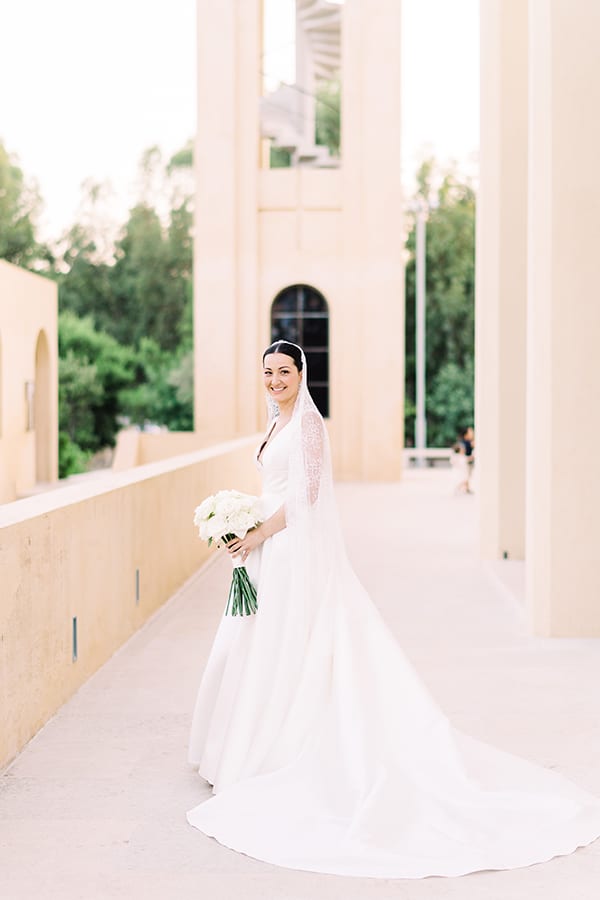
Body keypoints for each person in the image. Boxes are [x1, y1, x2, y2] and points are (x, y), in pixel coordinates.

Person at [186, 341, 600, 879]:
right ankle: (244, 742)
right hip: (265, 548)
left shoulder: (308, 425)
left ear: (301, 374)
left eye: (284, 371)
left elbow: (308, 495)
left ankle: (280, 748)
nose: (275, 380)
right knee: (256, 645)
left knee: (292, 644)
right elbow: (274, 485)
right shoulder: (273, 423)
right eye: (268, 372)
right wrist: (239, 519)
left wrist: (259, 532)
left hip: (288, 550)